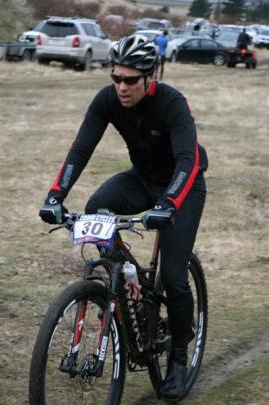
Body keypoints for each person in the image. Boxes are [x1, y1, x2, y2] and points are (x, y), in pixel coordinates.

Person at [39, 34, 208, 400]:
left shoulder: (172, 103)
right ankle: (124, 286)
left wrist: (170, 203)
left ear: (150, 77)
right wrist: (56, 195)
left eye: (130, 80)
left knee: (174, 275)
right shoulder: (107, 100)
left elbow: (188, 160)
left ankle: (179, 355)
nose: (121, 86)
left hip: (183, 186)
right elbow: (81, 148)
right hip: (142, 180)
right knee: (99, 205)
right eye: (116, 77)